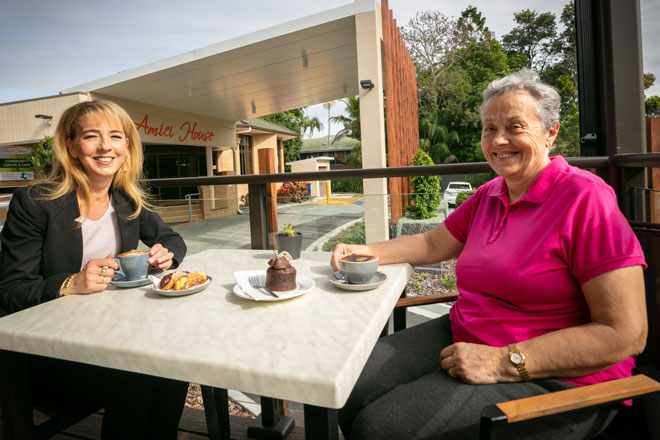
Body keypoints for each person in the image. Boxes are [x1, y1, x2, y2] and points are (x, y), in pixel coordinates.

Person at [331, 69, 648, 440]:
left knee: (381, 429)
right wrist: (364, 250)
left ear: (551, 133)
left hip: (559, 379)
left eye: (515, 127)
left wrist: (504, 361)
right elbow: (432, 244)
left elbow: (626, 334)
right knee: (348, 384)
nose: (499, 140)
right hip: (465, 333)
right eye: (488, 128)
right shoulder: (490, 194)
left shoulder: (585, 198)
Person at [0, 100, 189, 439]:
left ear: (126, 146)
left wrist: (165, 255)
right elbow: (10, 291)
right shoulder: (35, 203)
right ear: (71, 147)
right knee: (139, 371)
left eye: (116, 136)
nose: (105, 146)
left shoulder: (126, 199)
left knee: (173, 362)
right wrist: (71, 282)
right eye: (91, 136)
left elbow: (173, 240)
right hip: (47, 350)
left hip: (110, 334)